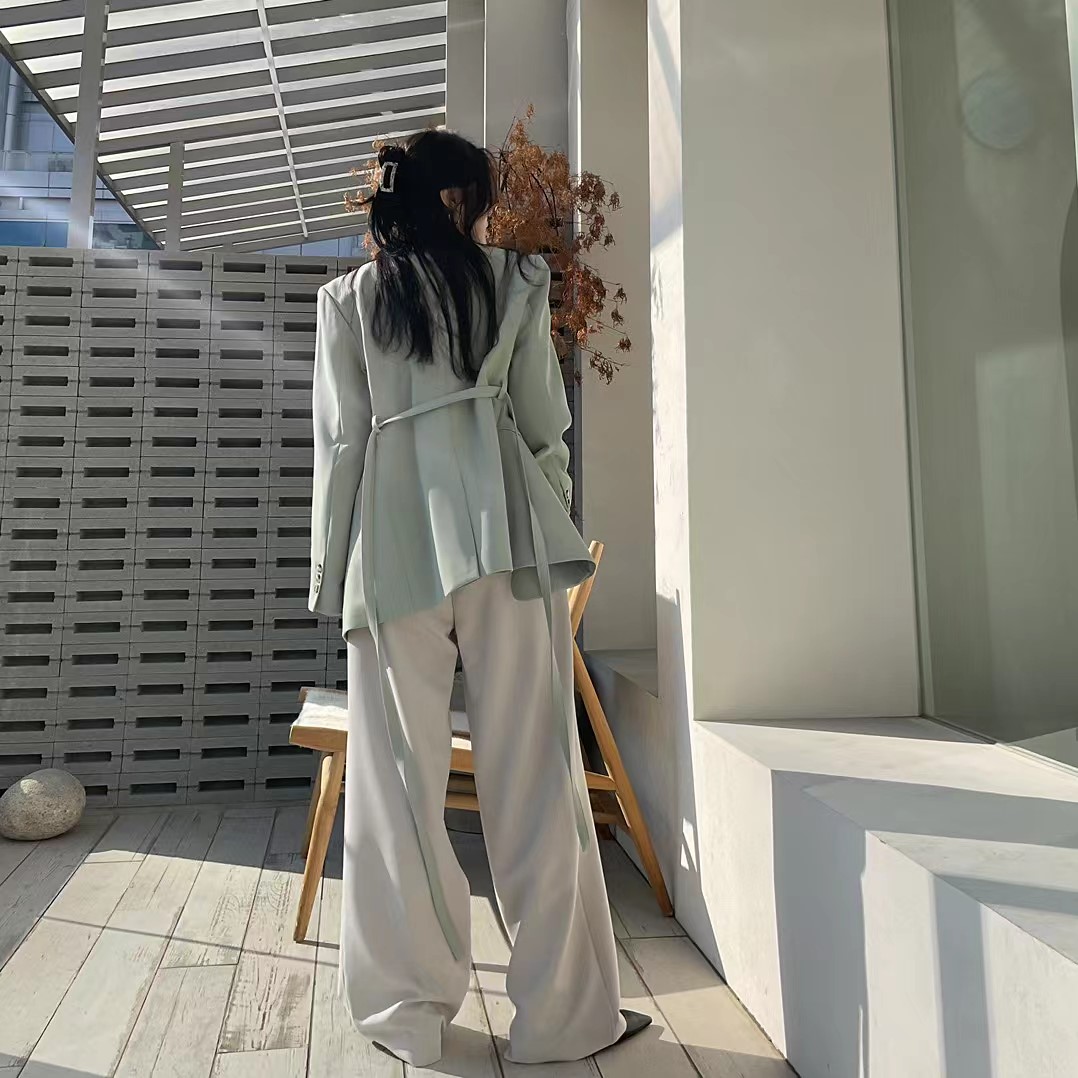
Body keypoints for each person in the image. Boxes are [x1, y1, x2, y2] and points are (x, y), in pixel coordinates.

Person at [308, 129, 651, 1067]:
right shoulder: (518, 282)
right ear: (459, 197)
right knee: (537, 776)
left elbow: (341, 450)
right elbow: (543, 425)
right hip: (505, 538)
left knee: (395, 789)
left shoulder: (349, 300)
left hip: (392, 551)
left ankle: (405, 1015)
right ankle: (567, 1019)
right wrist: (547, 515)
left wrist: (330, 574)